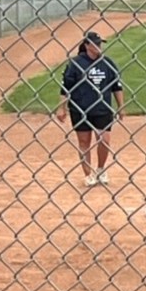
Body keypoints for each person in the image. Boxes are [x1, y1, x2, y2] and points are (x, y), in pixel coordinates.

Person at [57, 32, 126, 187]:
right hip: (80, 109)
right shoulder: (75, 64)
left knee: (104, 140)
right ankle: (88, 175)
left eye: (99, 44)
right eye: (94, 44)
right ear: (87, 45)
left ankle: (101, 169)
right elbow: (65, 88)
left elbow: (117, 86)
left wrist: (121, 107)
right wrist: (62, 108)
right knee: (84, 142)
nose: (98, 47)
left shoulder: (107, 63)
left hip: (102, 108)